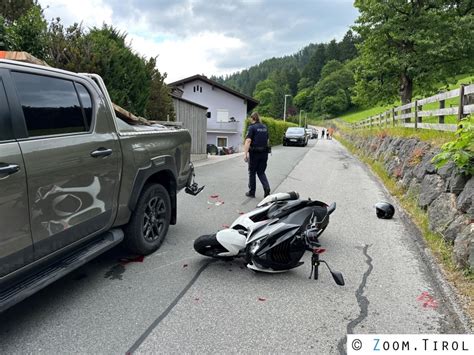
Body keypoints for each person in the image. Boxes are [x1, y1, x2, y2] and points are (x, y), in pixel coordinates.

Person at [243, 112, 270, 198]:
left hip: (254, 154)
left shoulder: (252, 127)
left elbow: (248, 141)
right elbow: (267, 140)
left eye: (251, 118)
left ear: (253, 118)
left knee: (252, 172)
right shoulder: (265, 127)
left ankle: (252, 192)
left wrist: (245, 154)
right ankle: (266, 187)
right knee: (261, 172)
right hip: (264, 153)